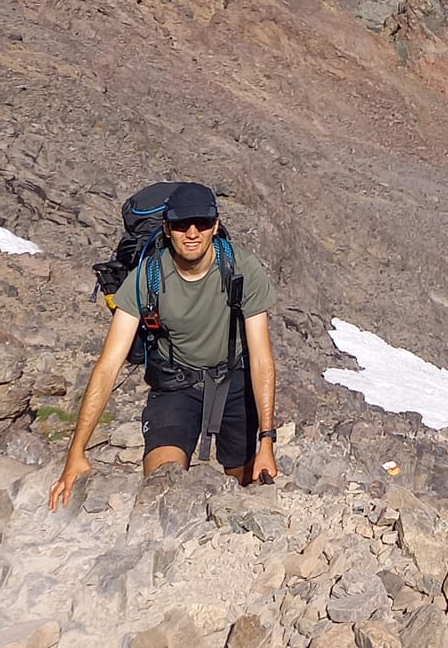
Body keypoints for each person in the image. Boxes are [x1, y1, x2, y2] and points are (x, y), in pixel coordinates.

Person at [48, 182, 278, 509]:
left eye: (201, 222)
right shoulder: (147, 277)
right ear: (167, 228)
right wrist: (76, 452)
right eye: (182, 224)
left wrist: (266, 442)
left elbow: (261, 359)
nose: (192, 232)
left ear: (215, 226)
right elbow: (107, 365)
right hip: (175, 385)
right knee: (162, 484)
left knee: (243, 482)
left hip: (233, 382)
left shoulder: (242, 269)